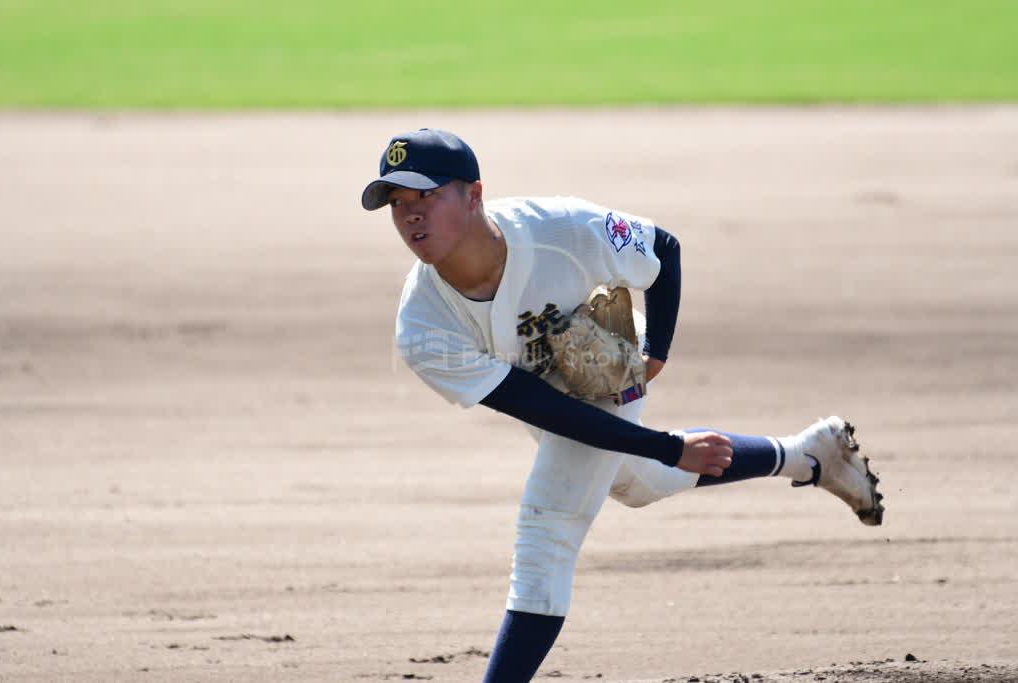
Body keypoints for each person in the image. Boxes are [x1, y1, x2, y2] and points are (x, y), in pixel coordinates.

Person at [360, 128, 884, 683]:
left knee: (548, 530)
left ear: (473, 194)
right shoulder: (424, 326)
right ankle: (808, 454)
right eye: (396, 203)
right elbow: (543, 408)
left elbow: (663, 249)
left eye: (426, 195)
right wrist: (667, 448)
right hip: (549, 397)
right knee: (640, 481)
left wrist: (656, 352)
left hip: (607, 364)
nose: (410, 215)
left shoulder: (559, 228)